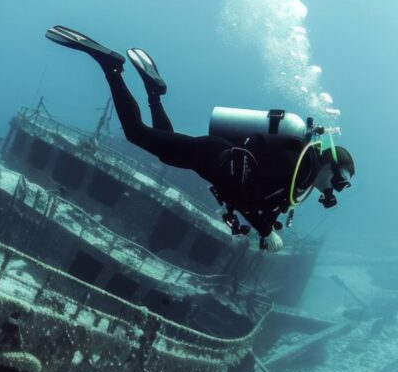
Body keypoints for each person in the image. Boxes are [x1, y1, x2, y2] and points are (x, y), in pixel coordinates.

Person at [44, 25, 355, 252]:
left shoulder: (303, 172)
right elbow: (246, 194)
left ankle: (154, 93)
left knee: (163, 148)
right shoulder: (300, 166)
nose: (333, 190)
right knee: (137, 133)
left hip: (213, 158)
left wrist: (265, 226)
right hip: (212, 157)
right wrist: (263, 229)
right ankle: (111, 68)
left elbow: (258, 191)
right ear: (333, 168)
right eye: (339, 182)